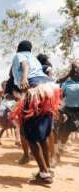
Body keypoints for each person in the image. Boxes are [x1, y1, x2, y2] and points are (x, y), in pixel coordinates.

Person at [10, 40, 61, 184]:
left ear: (18, 48)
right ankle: (47, 169)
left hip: (33, 91)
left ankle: (44, 174)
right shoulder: (36, 60)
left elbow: (24, 64)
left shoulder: (19, 55)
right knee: (43, 136)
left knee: (30, 135)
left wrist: (24, 77)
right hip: (48, 90)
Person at [58, 62, 79, 149]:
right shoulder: (66, 84)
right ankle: (60, 147)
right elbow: (60, 96)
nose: (76, 73)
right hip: (68, 111)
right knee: (65, 131)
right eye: (75, 72)